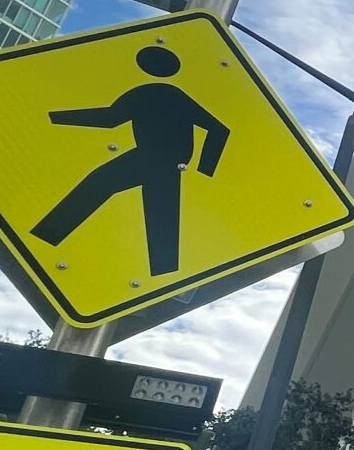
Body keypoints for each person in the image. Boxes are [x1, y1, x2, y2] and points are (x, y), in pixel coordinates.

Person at [31, 44, 229, 276]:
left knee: (100, 183)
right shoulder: (155, 93)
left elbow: (218, 129)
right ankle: (164, 273)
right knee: (160, 212)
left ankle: (46, 235)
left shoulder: (161, 93)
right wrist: (53, 117)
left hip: (155, 158)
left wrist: (205, 170)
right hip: (165, 162)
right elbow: (110, 119)